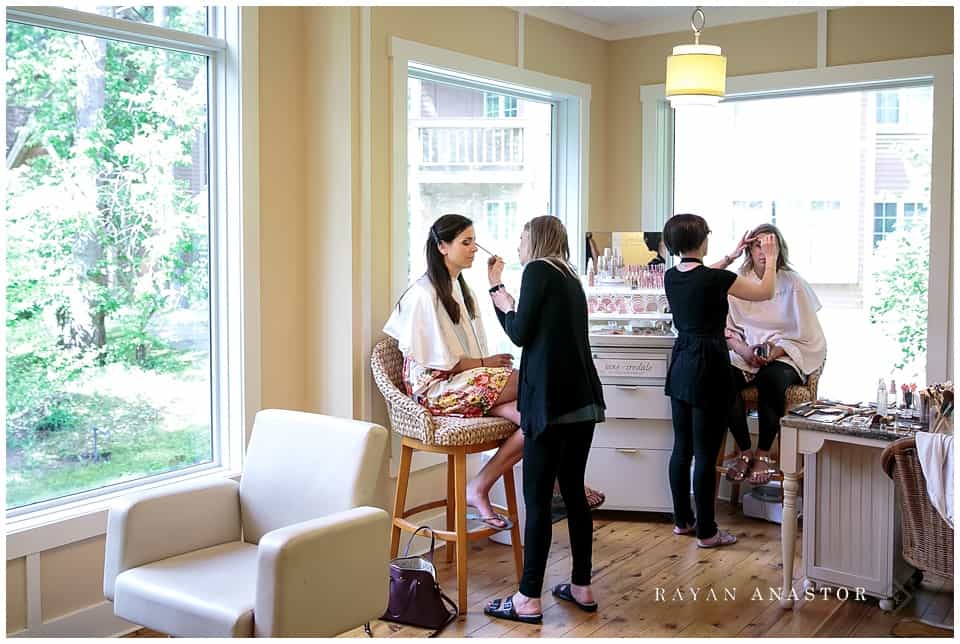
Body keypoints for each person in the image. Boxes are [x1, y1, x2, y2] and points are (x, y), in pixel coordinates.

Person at [382, 214, 602, 531]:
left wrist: (497, 293)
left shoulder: (459, 288)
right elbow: (440, 362)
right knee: (527, 383)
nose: (475, 249)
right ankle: (562, 479)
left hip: (464, 382)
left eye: (474, 241)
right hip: (435, 389)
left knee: (537, 424)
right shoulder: (423, 294)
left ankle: (482, 485)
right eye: (466, 242)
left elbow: (506, 335)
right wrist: (485, 364)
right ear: (442, 246)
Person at [483, 215, 605, 625]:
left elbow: (518, 333)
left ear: (535, 240)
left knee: (536, 500)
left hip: (551, 405)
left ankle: (527, 599)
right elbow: (531, 332)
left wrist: (498, 290)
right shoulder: (569, 276)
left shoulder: (537, 270)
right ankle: (582, 587)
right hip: (583, 402)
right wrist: (502, 299)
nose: (518, 243)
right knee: (572, 491)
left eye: (522, 236)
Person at [661, 214, 779, 549]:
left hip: (681, 360)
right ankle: (708, 532)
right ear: (702, 241)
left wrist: (731, 254)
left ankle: (683, 521)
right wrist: (768, 258)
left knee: (681, 448)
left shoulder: (672, 276)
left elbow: (699, 273)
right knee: (706, 452)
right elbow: (764, 290)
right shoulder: (717, 280)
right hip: (708, 364)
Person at [722, 223, 827, 485]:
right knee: (721, 379)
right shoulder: (737, 282)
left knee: (771, 379)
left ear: (779, 250)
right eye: (758, 245)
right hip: (745, 351)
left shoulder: (793, 283)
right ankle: (745, 451)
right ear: (749, 249)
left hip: (787, 352)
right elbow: (728, 329)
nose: (763, 251)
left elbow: (806, 333)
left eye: (770, 246)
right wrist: (745, 350)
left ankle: (763, 453)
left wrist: (776, 350)